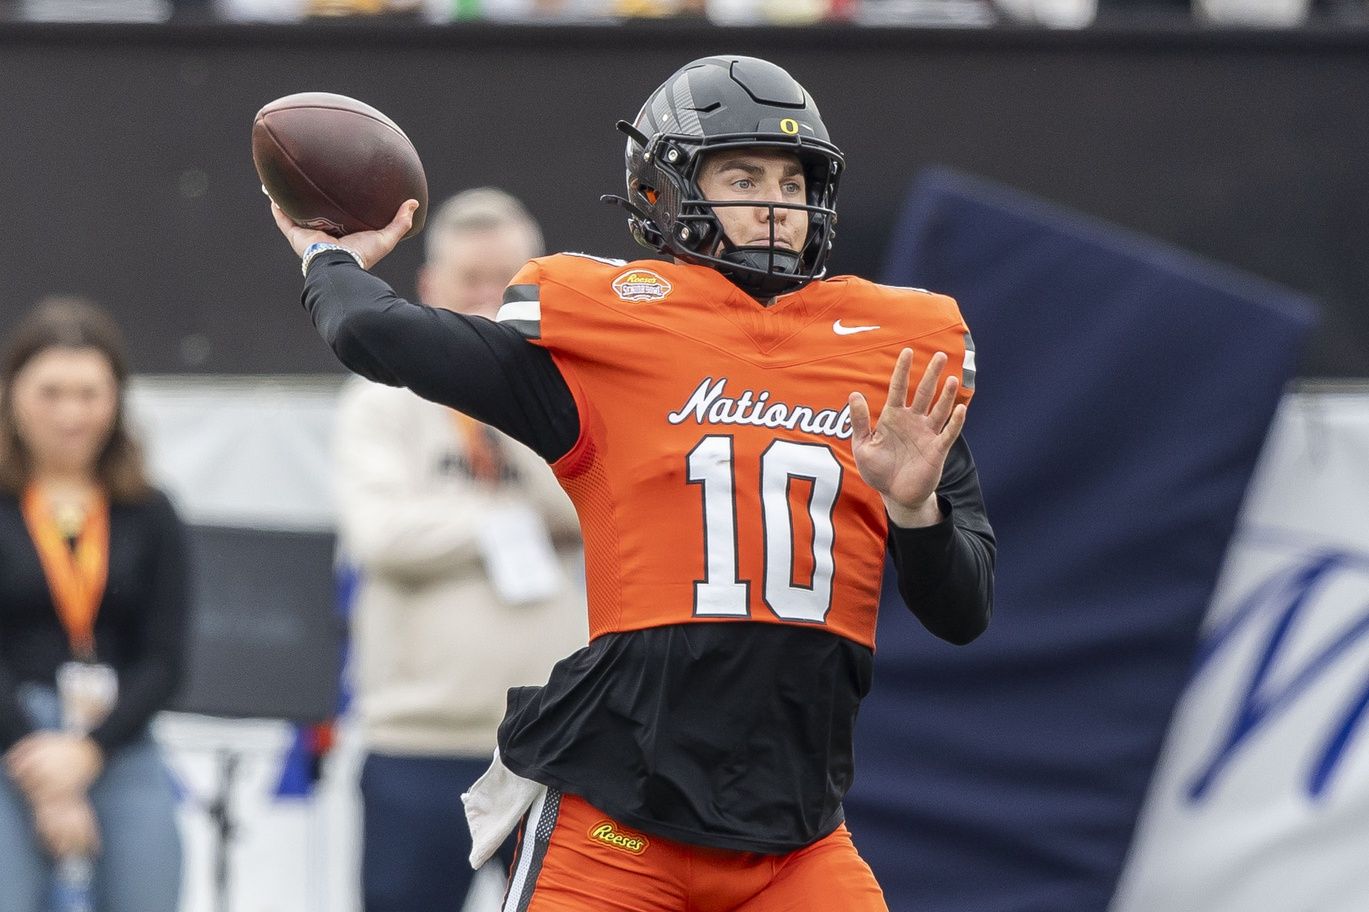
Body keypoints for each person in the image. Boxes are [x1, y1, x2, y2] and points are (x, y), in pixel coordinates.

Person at [272, 54, 994, 911]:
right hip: (617, 827)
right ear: (663, 190)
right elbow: (378, 336)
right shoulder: (610, 333)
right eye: (741, 175)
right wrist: (334, 259)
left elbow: (963, 610)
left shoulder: (888, 356)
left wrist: (913, 505)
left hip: (796, 838)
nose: (775, 202)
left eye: (792, 181)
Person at [333, 188, 587, 911]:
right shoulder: (379, 403)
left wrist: (508, 398)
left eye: (504, 282)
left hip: (552, 745)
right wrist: (500, 518)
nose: (485, 299)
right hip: (418, 742)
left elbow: (588, 509)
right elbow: (380, 536)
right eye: (468, 282)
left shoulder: (569, 396)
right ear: (427, 288)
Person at [0, 298, 186, 912]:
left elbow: (163, 660)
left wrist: (87, 751)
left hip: (116, 735)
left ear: (117, 400)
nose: (71, 414)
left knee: (149, 884)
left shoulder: (150, 512)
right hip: (10, 736)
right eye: (50, 392)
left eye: (89, 394)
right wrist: (44, 773)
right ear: (13, 395)